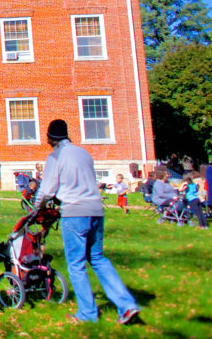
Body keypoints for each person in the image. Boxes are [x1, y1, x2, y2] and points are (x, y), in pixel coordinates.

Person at [35, 119, 139, 325]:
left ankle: (87, 313)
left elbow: (47, 189)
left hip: (75, 212)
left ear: (50, 139)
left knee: (76, 263)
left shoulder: (55, 156)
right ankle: (127, 305)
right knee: (98, 258)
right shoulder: (83, 153)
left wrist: (37, 207)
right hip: (96, 210)